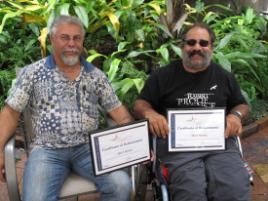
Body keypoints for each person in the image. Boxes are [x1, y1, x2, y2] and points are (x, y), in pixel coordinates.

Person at [0, 15, 133, 201]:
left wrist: (136, 142)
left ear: (82, 41)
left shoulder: (96, 76)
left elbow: (120, 114)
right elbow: (10, 112)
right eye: (65, 37)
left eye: (76, 38)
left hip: (88, 149)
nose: (72, 43)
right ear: (52, 39)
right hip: (47, 150)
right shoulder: (33, 72)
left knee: (121, 185)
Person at [134, 23, 250, 201]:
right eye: (191, 42)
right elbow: (141, 103)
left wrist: (236, 116)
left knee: (233, 188)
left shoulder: (224, 76)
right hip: (178, 146)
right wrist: (150, 114)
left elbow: (241, 105)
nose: (197, 47)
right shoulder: (163, 76)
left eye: (203, 43)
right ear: (183, 46)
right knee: (191, 192)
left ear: (211, 47)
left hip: (219, 144)